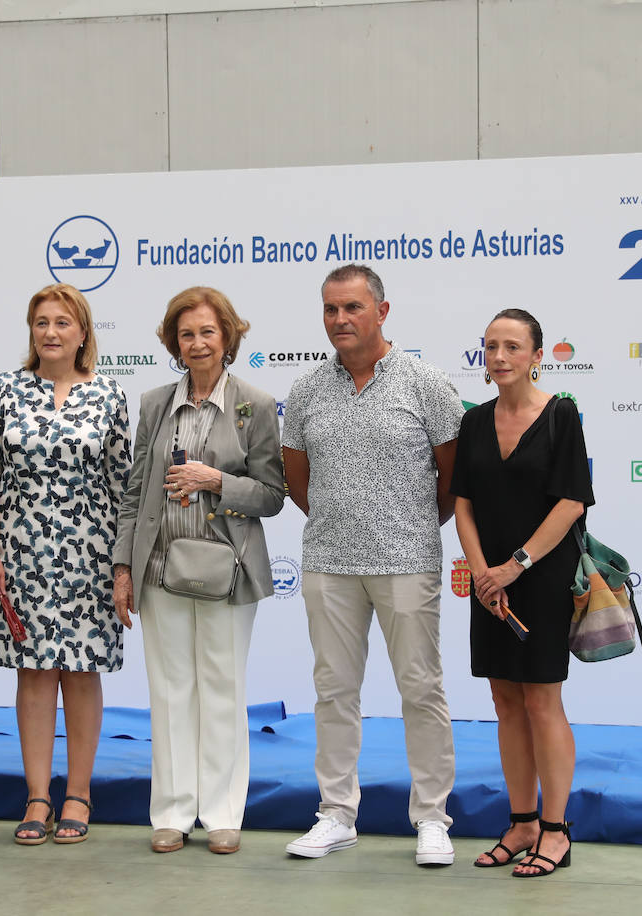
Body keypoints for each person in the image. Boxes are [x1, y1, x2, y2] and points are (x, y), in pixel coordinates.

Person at [280, 263, 464, 867]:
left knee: (421, 688)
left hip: (408, 560)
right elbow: (298, 480)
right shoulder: (306, 391)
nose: (339, 320)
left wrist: (402, 527)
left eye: (352, 308)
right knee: (333, 691)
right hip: (329, 563)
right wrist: (343, 521)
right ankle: (336, 814)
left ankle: (433, 818)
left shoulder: (426, 384)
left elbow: (451, 477)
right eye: (330, 309)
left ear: (382, 312)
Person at [111, 287, 284, 855]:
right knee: (169, 689)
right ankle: (172, 813)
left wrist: (215, 482)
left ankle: (223, 813)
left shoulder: (253, 404)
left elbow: (271, 495)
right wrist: (122, 566)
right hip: (158, 566)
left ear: (227, 337)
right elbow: (136, 490)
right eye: (187, 334)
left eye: (208, 332)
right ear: (173, 342)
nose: (198, 343)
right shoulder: (155, 402)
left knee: (222, 687)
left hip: (227, 571)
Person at [0, 283, 130, 845]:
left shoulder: (110, 394)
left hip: (90, 554)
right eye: (41, 322)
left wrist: (122, 565)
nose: (51, 331)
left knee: (81, 674)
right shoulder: (4, 391)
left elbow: (122, 485)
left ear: (83, 333)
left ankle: (79, 794)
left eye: (63, 322)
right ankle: (37, 795)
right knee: (34, 674)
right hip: (20, 555)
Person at [451, 309, 593, 878]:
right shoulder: (475, 422)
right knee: (504, 702)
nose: (500, 356)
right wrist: (484, 571)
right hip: (489, 584)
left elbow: (571, 502)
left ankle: (556, 831)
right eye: (491, 347)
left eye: (513, 346)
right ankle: (522, 821)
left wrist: (515, 566)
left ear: (537, 355)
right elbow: (462, 503)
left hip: (541, 579)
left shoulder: (562, 416)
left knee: (542, 701)